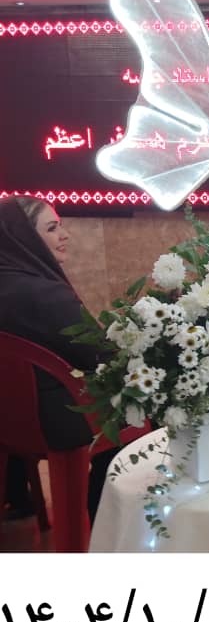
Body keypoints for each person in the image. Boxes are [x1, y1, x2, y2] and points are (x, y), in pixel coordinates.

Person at [0, 196, 115, 522]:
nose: (65, 235)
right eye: (52, 228)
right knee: (144, 406)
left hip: (8, 422)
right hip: (55, 423)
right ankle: (105, 518)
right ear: (23, 238)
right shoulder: (44, 294)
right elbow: (102, 356)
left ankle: (18, 498)